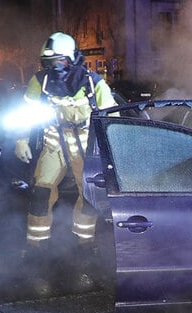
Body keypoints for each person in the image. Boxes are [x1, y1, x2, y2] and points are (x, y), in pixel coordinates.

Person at [14, 32, 117, 249]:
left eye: (59, 61)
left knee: (89, 195)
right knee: (41, 193)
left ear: (72, 58)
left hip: (86, 146)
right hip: (54, 143)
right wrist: (21, 139)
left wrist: (113, 148)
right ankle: (36, 245)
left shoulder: (93, 82)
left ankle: (85, 242)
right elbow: (25, 112)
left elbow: (112, 119)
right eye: (49, 63)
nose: (55, 68)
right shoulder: (39, 82)